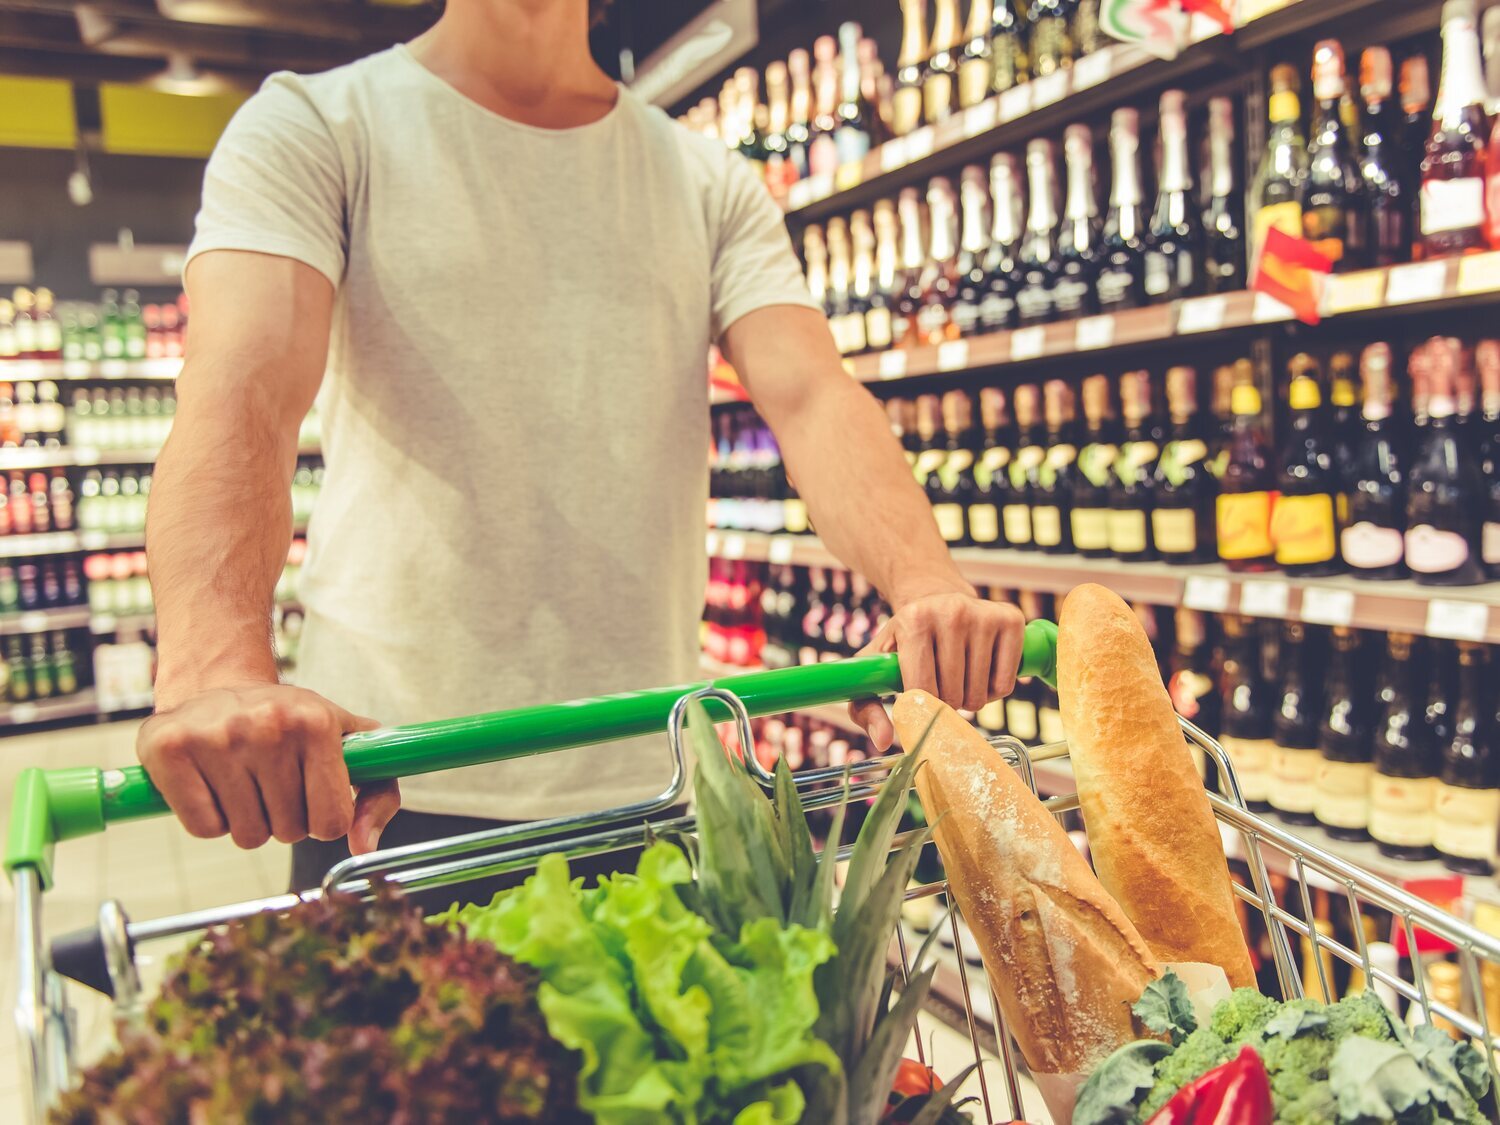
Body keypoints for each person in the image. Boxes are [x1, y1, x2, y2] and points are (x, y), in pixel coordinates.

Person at [136, 0, 1027, 889]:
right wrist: (216, 664)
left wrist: (925, 583)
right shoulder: (316, 125)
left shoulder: (705, 178)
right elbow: (242, 388)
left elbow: (813, 396)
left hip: (661, 789)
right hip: (388, 794)